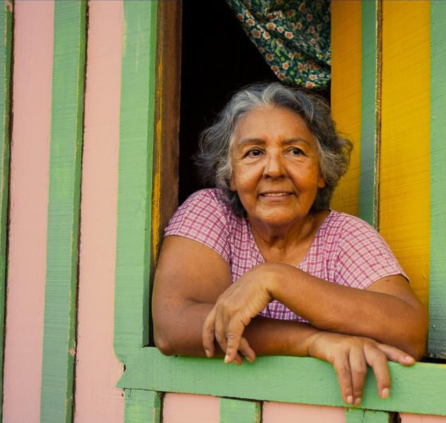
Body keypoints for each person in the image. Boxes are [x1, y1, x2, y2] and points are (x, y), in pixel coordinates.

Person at [152, 83, 427, 406]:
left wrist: (275, 279)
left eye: (295, 151)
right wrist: (312, 341)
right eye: (254, 152)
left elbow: (409, 333)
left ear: (322, 170)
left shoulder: (345, 235)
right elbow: (173, 326)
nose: (274, 169)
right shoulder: (212, 212)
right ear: (230, 174)